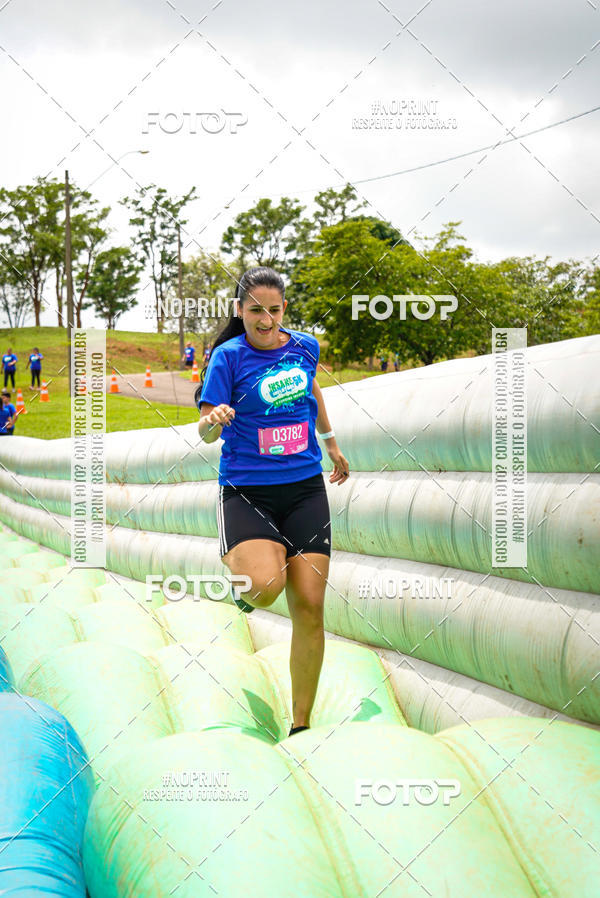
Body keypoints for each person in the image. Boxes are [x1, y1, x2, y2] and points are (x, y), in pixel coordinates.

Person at [197, 266, 350, 738]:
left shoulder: (305, 346)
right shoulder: (227, 357)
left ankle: (301, 722)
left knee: (309, 604)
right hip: (247, 490)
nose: (266, 319)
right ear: (239, 310)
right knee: (266, 587)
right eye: (255, 310)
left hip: (304, 487)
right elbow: (204, 432)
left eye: (275, 309)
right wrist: (216, 418)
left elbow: (313, 390)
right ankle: (248, 581)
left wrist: (331, 443)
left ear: (285, 309)